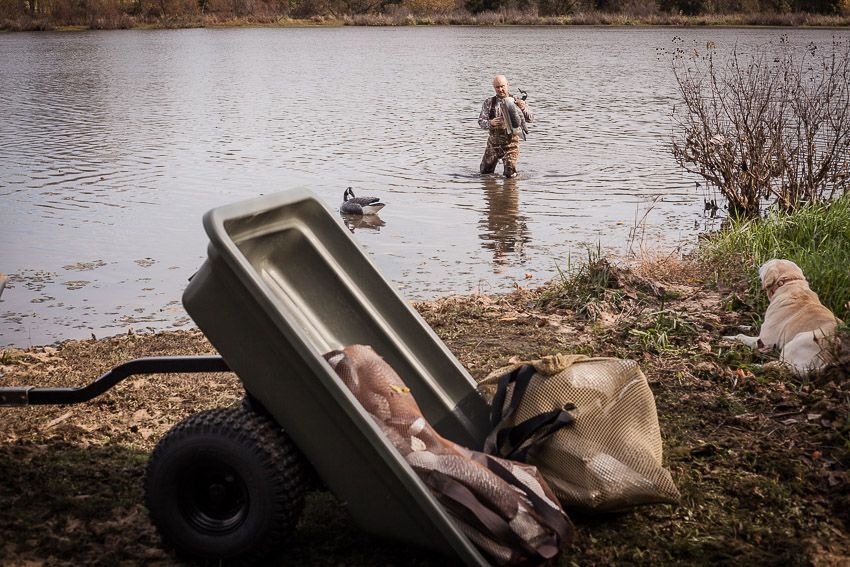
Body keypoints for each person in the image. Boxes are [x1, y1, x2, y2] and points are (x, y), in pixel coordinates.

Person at [478, 75, 534, 178]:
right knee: (484, 174)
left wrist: (523, 108)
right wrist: (491, 123)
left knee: (510, 174)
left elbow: (530, 118)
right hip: (493, 145)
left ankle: (511, 191)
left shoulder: (517, 100)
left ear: (508, 85)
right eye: (497, 87)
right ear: (494, 88)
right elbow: (481, 122)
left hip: (511, 146)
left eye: (502, 86)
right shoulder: (489, 102)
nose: (500, 89)